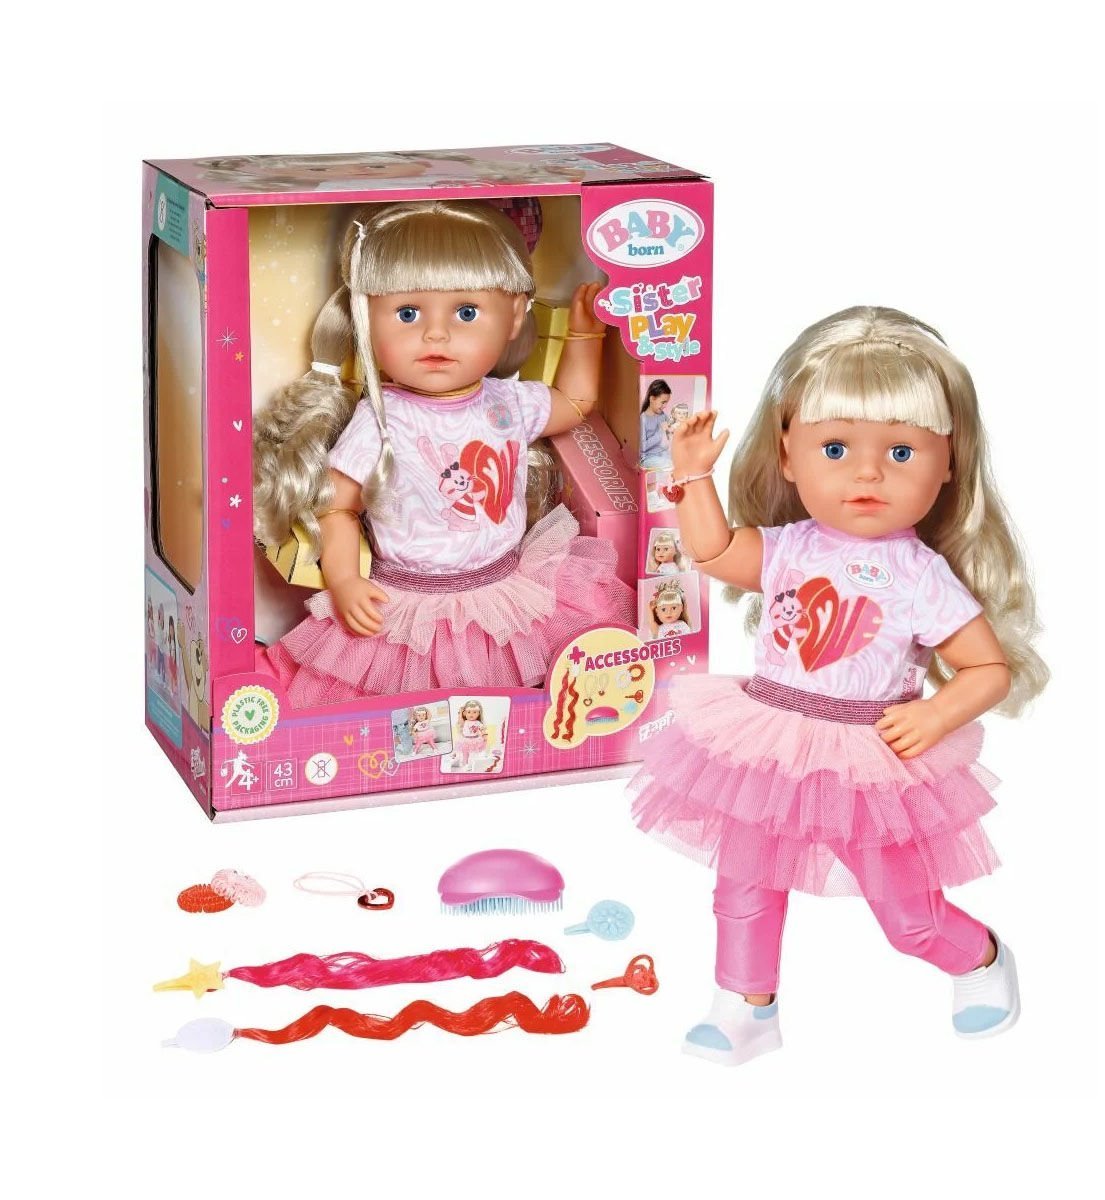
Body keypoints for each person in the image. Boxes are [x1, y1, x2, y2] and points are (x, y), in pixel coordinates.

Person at [629, 306, 1047, 1065]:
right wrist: (692, 476)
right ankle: (744, 1006)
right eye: (835, 448)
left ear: (949, 463)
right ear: (787, 455)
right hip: (770, 737)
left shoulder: (921, 575)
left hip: (869, 752)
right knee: (744, 883)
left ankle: (979, 959)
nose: (867, 473)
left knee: (905, 912)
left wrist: (937, 715)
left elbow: (988, 668)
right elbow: (714, 553)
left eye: (901, 451)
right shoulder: (790, 547)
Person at [253, 200, 634, 706]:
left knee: (527, 692)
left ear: (514, 316)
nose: (436, 333)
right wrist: (344, 578)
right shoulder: (382, 418)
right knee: (407, 706)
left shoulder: (507, 403)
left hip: (506, 590)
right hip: (410, 603)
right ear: (366, 319)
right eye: (407, 313)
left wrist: (586, 335)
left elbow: (575, 403)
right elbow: (337, 507)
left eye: (466, 312)